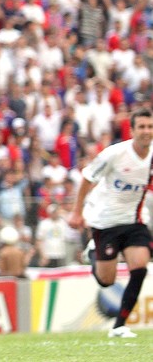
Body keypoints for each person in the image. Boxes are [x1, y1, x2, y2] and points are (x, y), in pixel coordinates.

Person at [68, 108, 153, 339]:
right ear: (132, 130)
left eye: (150, 127)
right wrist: (77, 212)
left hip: (135, 220)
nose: (147, 131)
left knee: (140, 268)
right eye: (142, 127)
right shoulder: (114, 154)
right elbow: (87, 178)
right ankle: (93, 252)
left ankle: (119, 326)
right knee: (107, 281)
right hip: (106, 221)